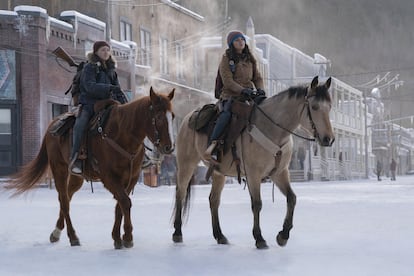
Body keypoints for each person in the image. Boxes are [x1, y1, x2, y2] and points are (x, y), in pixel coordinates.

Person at [203, 30, 265, 163]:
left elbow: (257, 77)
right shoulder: (226, 59)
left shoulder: (250, 59)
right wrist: (242, 90)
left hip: (249, 96)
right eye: (237, 40)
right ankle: (212, 146)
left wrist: (260, 89)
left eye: (242, 39)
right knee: (225, 115)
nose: (241, 42)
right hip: (230, 96)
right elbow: (228, 81)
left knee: (264, 113)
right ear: (232, 43)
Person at [69, 41, 125, 174]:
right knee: (80, 125)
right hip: (90, 104)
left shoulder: (112, 70)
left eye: (107, 50)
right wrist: (109, 88)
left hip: (108, 104)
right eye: (102, 50)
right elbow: (89, 86)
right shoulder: (90, 67)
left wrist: (125, 105)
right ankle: (75, 157)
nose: (106, 52)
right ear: (96, 52)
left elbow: (118, 90)